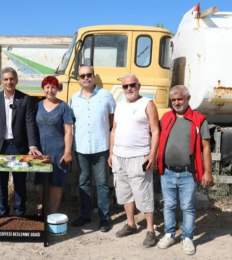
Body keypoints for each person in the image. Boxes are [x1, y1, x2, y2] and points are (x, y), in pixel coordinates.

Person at [156, 85, 214, 255]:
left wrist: (207, 171)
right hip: (167, 172)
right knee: (169, 205)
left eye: (180, 99)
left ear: (188, 99)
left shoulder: (199, 119)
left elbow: (205, 148)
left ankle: (187, 238)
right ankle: (169, 234)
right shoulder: (165, 118)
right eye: (173, 100)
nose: (176, 103)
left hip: (188, 173)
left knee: (188, 207)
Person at [0, 67, 41, 216]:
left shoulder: (25, 99)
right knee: (1, 181)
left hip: (19, 147)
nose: (9, 82)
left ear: (16, 81)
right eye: (5, 79)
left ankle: (19, 212)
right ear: (1, 82)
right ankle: (3, 212)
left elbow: (29, 123)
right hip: (1, 146)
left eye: (11, 79)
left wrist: (32, 145)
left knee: (19, 182)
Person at [108, 73, 159, 247]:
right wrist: (111, 153)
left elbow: (155, 130)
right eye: (125, 86)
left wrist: (152, 154)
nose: (129, 88)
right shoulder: (120, 105)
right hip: (119, 156)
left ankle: (150, 230)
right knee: (124, 192)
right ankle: (131, 223)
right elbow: (113, 130)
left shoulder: (147, 104)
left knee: (144, 193)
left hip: (139, 156)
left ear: (139, 85)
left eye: (132, 85)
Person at [70, 65, 115, 232]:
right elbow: (73, 122)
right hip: (81, 147)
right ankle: (85, 215)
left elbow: (112, 122)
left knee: (102, 183)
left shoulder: (106, 96)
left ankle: (104, 219)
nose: (86, 78)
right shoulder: (74, 98)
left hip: (101, 146)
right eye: (82, 76)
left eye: (89, 75)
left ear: (93, 76)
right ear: (79, 79)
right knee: (83, 182)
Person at [34, 76, 73, 214]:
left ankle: (53, 213)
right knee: (42, 183)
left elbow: (68, 131)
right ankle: (45, 211)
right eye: (47, 87)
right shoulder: (37, 106)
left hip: (58, 151)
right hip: (41, 152)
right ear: (43, 88)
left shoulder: (64, 107)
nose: (50, 90)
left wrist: (67, 152)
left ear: (57, 89)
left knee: (56, 183)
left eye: (53, 87)